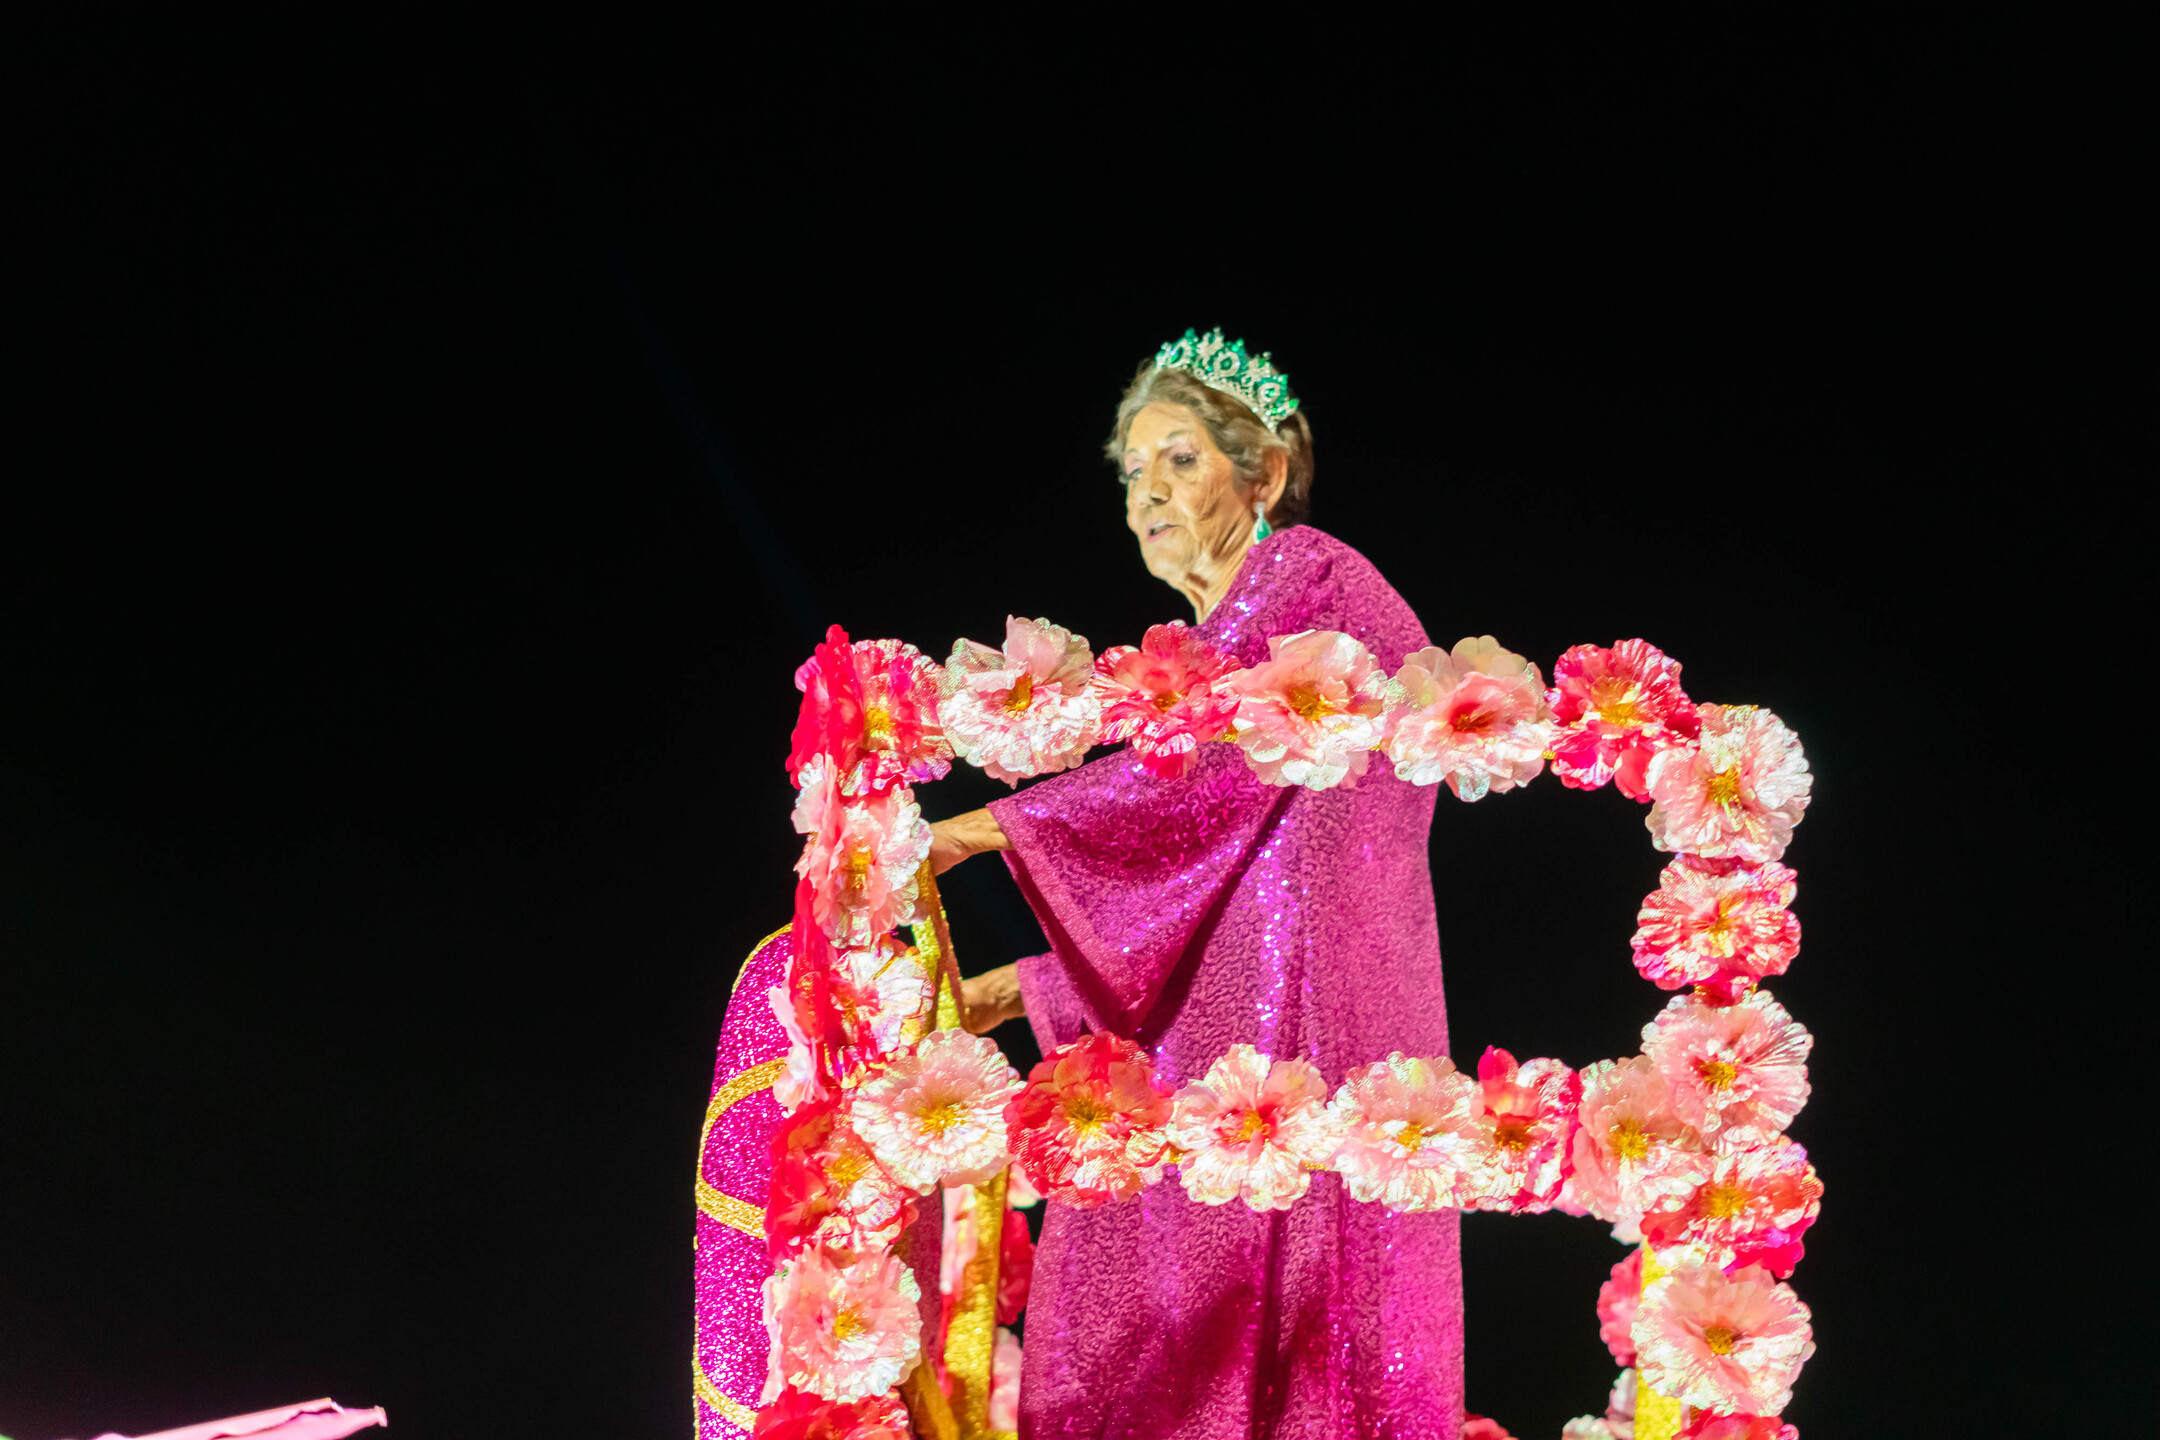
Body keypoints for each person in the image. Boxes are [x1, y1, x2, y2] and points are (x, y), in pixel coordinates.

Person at [927, 332, 1464, 1440]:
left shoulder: (1307, 574)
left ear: (1259, 475)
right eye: (1132, 472)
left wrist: (980, 830)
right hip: (1231, 1054)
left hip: (1311, 1050)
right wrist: (997, 994)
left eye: (1177, 460)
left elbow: (1198, 795)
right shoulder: (1208, 645)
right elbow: (1198, 910)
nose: (1147, 494)